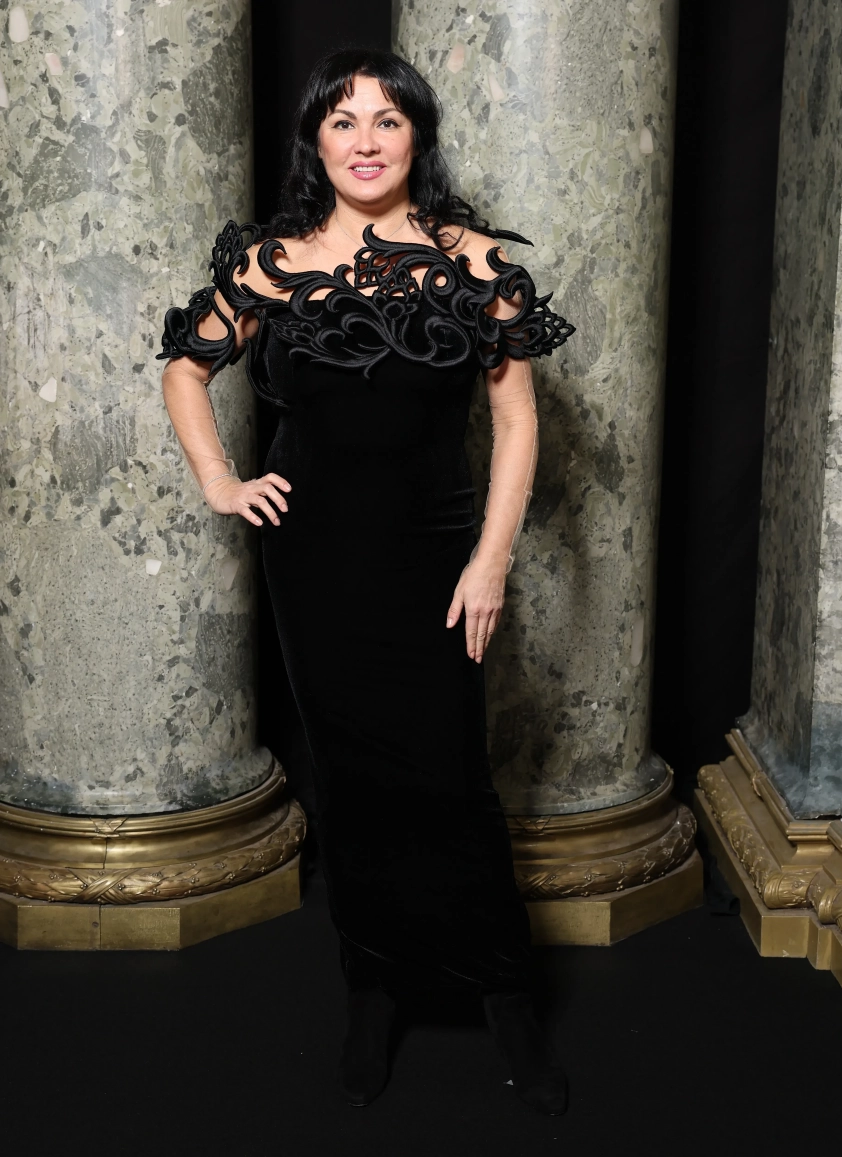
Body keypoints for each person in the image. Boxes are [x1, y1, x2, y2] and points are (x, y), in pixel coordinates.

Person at [158, 49, 575, 1114]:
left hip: (436, 553)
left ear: (417, 137)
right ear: (316, 140)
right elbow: (186, 369)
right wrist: (220, 481)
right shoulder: (274, 264)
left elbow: (516, 416)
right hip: (315, 558)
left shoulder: (473, 262)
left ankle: (503, 990)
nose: (365, 139)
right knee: (348, 777)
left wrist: (491, 558)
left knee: (452, 775)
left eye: (387, 119)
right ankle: (374, 985)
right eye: (342, 120)